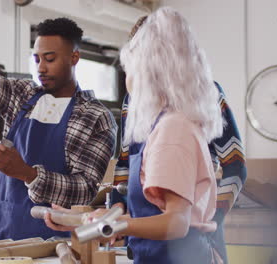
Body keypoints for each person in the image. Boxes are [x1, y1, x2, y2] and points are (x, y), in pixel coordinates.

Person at [45, 7, 229, 263]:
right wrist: (84, 222)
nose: (127, 81)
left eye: (129, 71)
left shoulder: (173, 130)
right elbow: (149, 213)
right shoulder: (161, 126)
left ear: (149, 74)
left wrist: (118, 224)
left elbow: (175, 223)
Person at [0, 4, 117, 241]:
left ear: (74, 57)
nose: (41, 68)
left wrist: (27, 174)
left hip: (52, 243)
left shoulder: (95, 117)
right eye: (37, 58)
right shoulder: (21, 95)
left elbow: (84, 190)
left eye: (50, 59)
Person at [110, 14, 247, 264]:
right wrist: (115, 212)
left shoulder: (205, 93)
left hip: (188, 235)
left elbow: (235, 165)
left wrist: (211, 219)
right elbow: (125, 163)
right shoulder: (133, 101)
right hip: (147, 234)